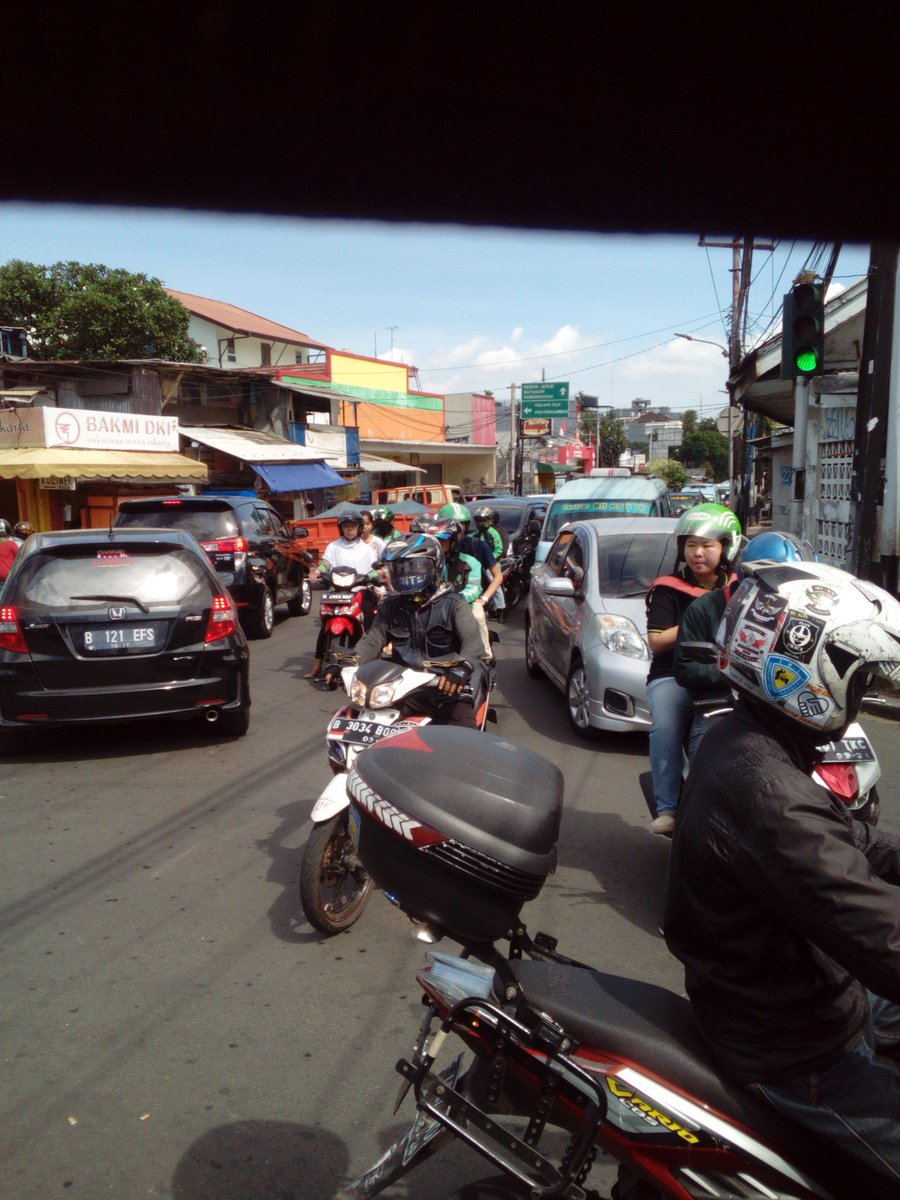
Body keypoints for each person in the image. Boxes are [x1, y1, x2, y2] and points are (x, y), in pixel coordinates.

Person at [664, 561, 900, 1189]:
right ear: (814, 671)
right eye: (860, 678)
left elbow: (850, 847)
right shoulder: (769, 791)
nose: (865, 696)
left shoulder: (750, 739)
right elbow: (879, 936)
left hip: (806, 994)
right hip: (799, 1047)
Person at [674, 529, 817, 759]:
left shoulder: (804, 616)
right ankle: (670, 796)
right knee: (703, 773)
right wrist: (737, 671)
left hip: (789, 712)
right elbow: (685, 668)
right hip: (721, 708)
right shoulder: (705, 609)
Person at [645, 503, 742, 834]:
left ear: (726, 547)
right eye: (691, 545)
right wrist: (700, 615)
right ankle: (668, 808)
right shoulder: (669, 587)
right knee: (665, 727)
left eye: (707, 545)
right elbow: (656, 642)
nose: (698, 553)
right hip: (672, 675)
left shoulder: (740, 586)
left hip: (727, 675)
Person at [336, 534, 486, 728]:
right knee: (358, 725)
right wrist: (349, 663)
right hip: (399, 690)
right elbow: (372, 640)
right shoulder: (391, 606)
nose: (406, 574)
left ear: (435, 566)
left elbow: (473, 644)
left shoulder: (454, 605)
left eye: (415, 567)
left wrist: (459, 669)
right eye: (399, 569)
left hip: (445, 690)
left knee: (463, 744)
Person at [305, 511, 381, 679]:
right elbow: (325, 565)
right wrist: (316, 572)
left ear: (359, 528)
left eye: (352, 526)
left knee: (368, 616)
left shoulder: (366, 550)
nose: (349, 530)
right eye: (346, 526)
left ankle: (368, 657)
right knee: (325, 622)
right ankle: (318, 662)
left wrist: (376, 577)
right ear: (341, 529)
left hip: (359, 590)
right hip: (337, 591)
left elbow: (373, 570)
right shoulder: (334, 546)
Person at [436, 502, 503, 658]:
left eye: (461, 525)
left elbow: (497, 576)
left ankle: (485, 655)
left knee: (477, 617)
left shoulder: (477, 545)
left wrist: (483, 599)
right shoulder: (433, 546)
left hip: (470, 597)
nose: (457, 530)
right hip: (438, 599)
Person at [472, 506, 507, 622]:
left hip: (492, 565)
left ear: (490, 521)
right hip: (478, 564)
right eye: (478, 521)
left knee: (494, 584)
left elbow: (499, 549)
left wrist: (489, 560)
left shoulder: (493, 533)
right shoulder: (475, 534)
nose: (480, 524)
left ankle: (501, 609)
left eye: (483, 521)